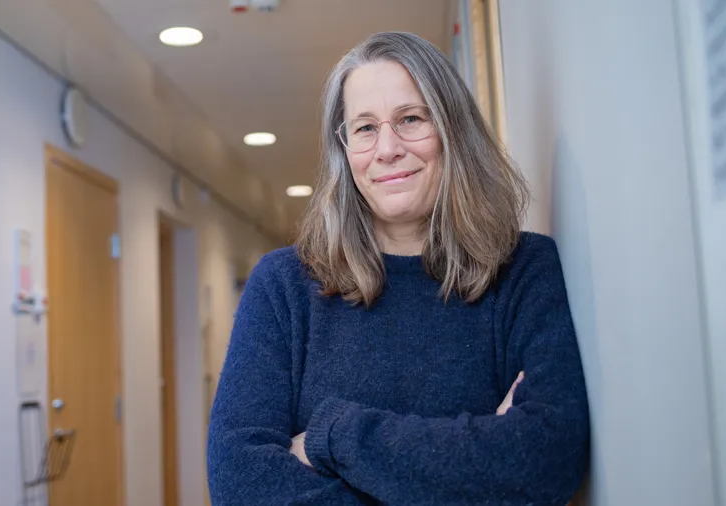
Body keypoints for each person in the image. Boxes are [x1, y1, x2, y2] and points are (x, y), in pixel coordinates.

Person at [206, 31, 590, 505]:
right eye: (365, 128)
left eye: (410, 119)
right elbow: (239, 482)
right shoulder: (282, 286)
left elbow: (544, 461)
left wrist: (332, 436)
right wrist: (476, 461)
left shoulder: (525, 270)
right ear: (344, 150)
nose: (387, 149)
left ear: (453, 130)